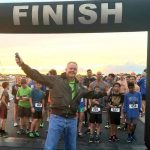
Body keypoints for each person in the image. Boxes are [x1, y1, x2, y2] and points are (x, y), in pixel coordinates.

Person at [15, 54, 106, 150]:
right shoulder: (55, 80)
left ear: (77, 71)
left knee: (71, 147)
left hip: (72, 120)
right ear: (66, 69)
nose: (72, 70)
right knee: (50, 147)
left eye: (75, 69)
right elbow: (37, 75)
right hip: (56, 118)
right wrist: (22, 65)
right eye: (70, 68)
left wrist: (104, 93)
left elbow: (91, 94)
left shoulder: (79, 86)